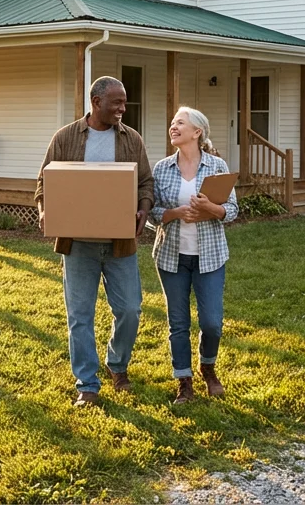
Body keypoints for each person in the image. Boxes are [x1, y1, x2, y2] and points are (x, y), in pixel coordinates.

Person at [35, 76, 154, 408]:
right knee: (80, 315)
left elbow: (146, 182)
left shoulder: (132, 139)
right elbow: (44, 183)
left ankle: (117, 365)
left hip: (119, 244)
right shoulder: (65, 137)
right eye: (116, 102)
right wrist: (46, 211)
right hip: (78, 245)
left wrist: (143, 210)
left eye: (124, 102)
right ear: (96, 101)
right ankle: (87, 384)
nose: (122, 109)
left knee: (129, 309)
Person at [150, 106, 237, 404]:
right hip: (172, 257)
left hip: (209, 257)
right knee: (178, 323)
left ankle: (207, 367)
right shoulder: (162, 168)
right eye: (172, 122)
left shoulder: (216, 166)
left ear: (196, 132)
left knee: (212, 322)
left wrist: (210, 209)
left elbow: (232, 211)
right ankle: (183, 382)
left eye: (180, 123)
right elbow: (152, 213)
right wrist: (175, 213)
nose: (173, 127)